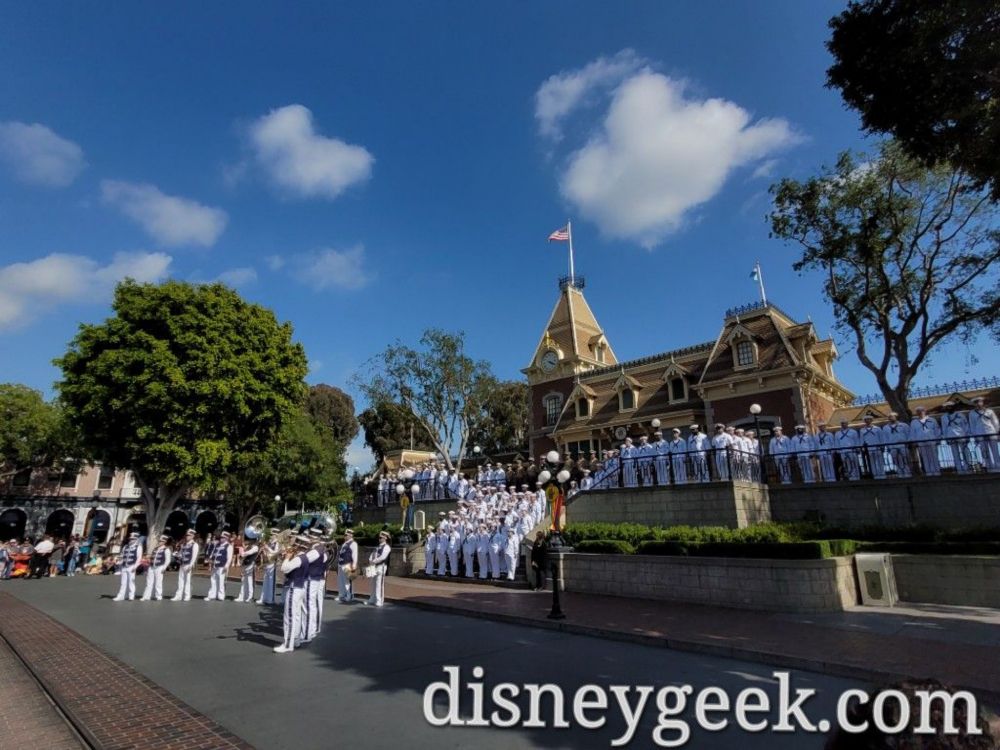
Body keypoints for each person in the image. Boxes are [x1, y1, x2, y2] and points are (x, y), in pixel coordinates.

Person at [274, 538, 320, 654]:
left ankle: (287, 644)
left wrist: (287, 558)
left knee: (289, 616)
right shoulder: (304, 558)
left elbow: (284, 568)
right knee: (297, 616)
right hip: (299, 589)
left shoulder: (299, 559)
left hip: (294, 588)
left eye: (294, 544)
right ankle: (295, 640)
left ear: (299, 546)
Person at [301, 532, 328, 643]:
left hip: (311, 579)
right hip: (313, 579)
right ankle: (311, 629)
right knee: (311, 605)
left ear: (313, 539)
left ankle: (307, 634)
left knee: (308, 605)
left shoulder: (315, 551)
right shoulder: (319, 550)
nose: (306, 539)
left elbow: (302, 561)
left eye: (309, 537)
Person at [909, 405, 941, 476]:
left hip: (931, 440)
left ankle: (936, 472)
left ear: (924, 411)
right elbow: (912, 433)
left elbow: (937, 430)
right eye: (918, 411)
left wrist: (938, 440)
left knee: (934, 457)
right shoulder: (914, 422)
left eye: (921, 411)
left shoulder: (932, 420)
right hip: (921, 442)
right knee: (925, 458)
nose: (920, 412)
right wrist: (914, 442)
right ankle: (929, 473)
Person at [970, 396, 1000, 472]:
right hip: (980, 433)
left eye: (979, 402)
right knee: (984, 452)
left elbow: (995, 422)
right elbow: (972, 425)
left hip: (990, 432)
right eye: (976, 403)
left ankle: (998, 467)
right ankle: (989, 467)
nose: (978, 404)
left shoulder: (989, 411)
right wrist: (975, 435)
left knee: (995, 451)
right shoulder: (972, 413)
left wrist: (996, 432)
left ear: (982, 402)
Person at [942, 401, 972, 474]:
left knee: (965, 453)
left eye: (950, 406)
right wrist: (946, 438)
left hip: (961, 435)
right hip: (950, 436)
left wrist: (967, 436)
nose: (949, 408)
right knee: (955, 454)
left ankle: (967, 468)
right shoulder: (943, 417)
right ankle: (959, 470)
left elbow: (965, 425)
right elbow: (944, 428)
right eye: (947, 407)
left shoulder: (960, 415)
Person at [113, 532, 142, 601]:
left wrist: (135, 567)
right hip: (124, 566)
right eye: (130, 539)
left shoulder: (138, 547)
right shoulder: (125, 546)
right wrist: (118, 561)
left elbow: (139, 558)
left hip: (131, 566)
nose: (131, 540)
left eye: (133, 539)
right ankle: (121, 596)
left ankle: (131, 596)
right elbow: (122, 556)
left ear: (136, 540)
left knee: (131, 582)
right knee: (123, 582)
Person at [365, 531, 391, 607]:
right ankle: (372, 599)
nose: (379, 539)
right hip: (374, 566)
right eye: (379, 538)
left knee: (379, 584)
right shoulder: (378, 546)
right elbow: (372, 554)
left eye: (380, 538)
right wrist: (370, 560)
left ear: (385, 538)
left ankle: (379, 601)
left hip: (381, 566)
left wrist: (374, 561)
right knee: (372, 583)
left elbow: (383, 557)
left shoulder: (386, 547)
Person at [141, 535, 171, 601]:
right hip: (152, 567)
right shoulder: (155, 548)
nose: (159, 542)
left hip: (159, 567)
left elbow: (168, 560)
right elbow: (152, 557)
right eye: (159, 541)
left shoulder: (166, 549)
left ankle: (158, 596)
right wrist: (149, 560)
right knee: (149, 582)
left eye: (161, 541)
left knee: (158, 582)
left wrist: (164, 567)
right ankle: (146, 596)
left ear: (164, 542)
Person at [171, 529, 199, 601]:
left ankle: (187, 595)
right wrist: (176, 555)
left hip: (188, 564)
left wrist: (191, 565)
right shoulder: (184, 544)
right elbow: (181, 553)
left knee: (187, 581)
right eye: (186, 535)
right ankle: (178, 595)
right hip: (182, 564)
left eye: (189, 535)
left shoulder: (194, 545)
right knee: (180, 580)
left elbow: (194, 556)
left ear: (192, 536)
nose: (187, 536)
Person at [205, 530, 233, 601]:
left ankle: (221, 595)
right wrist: (210, 560)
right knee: (213, 580)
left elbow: (229, 558)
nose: (221, 539)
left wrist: (227, 565)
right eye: (221, 537)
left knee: (221, 581)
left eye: (223, 538)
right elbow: (213, 553)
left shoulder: (229, 546)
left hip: (222, 566)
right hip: (215, 565)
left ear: (226, 538)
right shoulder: (217, 545)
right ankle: (212, 595)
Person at [882, 413, 911, 477]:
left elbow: (908, 434)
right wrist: (888, 446)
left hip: (903, 444)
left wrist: (908, 443)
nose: (890, 418)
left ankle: (907, 474)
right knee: (896, 461)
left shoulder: (903, 425)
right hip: (892, 446)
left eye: (892, 416)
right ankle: (900, 474)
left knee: (905, 460)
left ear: (896, 417)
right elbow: (885, 438)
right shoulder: (885, 427)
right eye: (889, 417)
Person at [234, 533, 259, 604]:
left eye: (251, 540)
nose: (249, 541)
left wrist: (242, 552)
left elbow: (248, 553)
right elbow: (244, 554)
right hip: (245, 564)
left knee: (249, 581)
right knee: (243, 581)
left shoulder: (255, 547)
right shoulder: (249, 546)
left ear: (254, 540)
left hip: (250, 565)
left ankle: (250, 597)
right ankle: (241, 596)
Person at [256, 532, 280, 605]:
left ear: (276, 535)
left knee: (271, 582)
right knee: (265, 582)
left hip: (272, 564)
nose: (271, 536)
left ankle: (270, 599)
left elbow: (275, 553)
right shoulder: (269, 543)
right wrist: (263, 550)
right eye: (271, 534)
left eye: (273, 534)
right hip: (267, 563)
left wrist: (268, 548)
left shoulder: (277, 544)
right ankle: (263, 598)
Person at [337, 529, 359, 602]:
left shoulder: (353, 543)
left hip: (348, 564)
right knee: (341, 581)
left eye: (346, 535)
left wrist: (354, 565)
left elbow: (354, 555)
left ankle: (349, 595)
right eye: (344, 535)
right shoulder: (345, 543)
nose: (344, 536)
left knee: (348, 581)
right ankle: (342, 595)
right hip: (341, 564)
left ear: (350, 535)